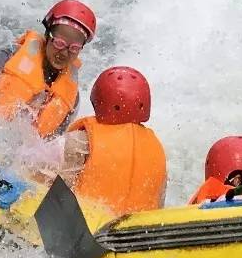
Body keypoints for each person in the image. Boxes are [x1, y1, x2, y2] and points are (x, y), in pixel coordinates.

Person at [59, 66, 167, 216]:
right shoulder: (157, 148)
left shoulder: (81, 139)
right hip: (139, 233)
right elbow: (159, 203)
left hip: (88, 227)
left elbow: (60, 194)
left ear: (98, 101)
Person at [0, 0, 96, 138]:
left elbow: (53, 140)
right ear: (47, 36)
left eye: (74, 48)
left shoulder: (72, 100)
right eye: (59, 43)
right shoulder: (10, 55)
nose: (64, 53)